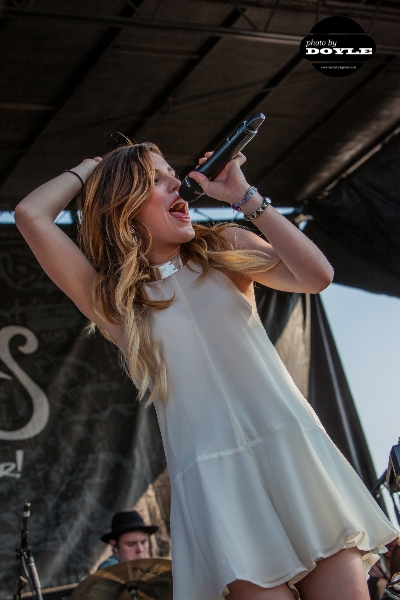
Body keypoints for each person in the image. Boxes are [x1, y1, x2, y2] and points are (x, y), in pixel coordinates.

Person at [15, 141, 398, 600]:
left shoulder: (225, 246)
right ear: (124, 207)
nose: (177, 182)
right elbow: (31, 214)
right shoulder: (118, 303)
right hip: (217, 487)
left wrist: (245, 197)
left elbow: (317, 276)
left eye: (171, 174)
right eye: (156, 180)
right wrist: (88, 170)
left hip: (293, 453)